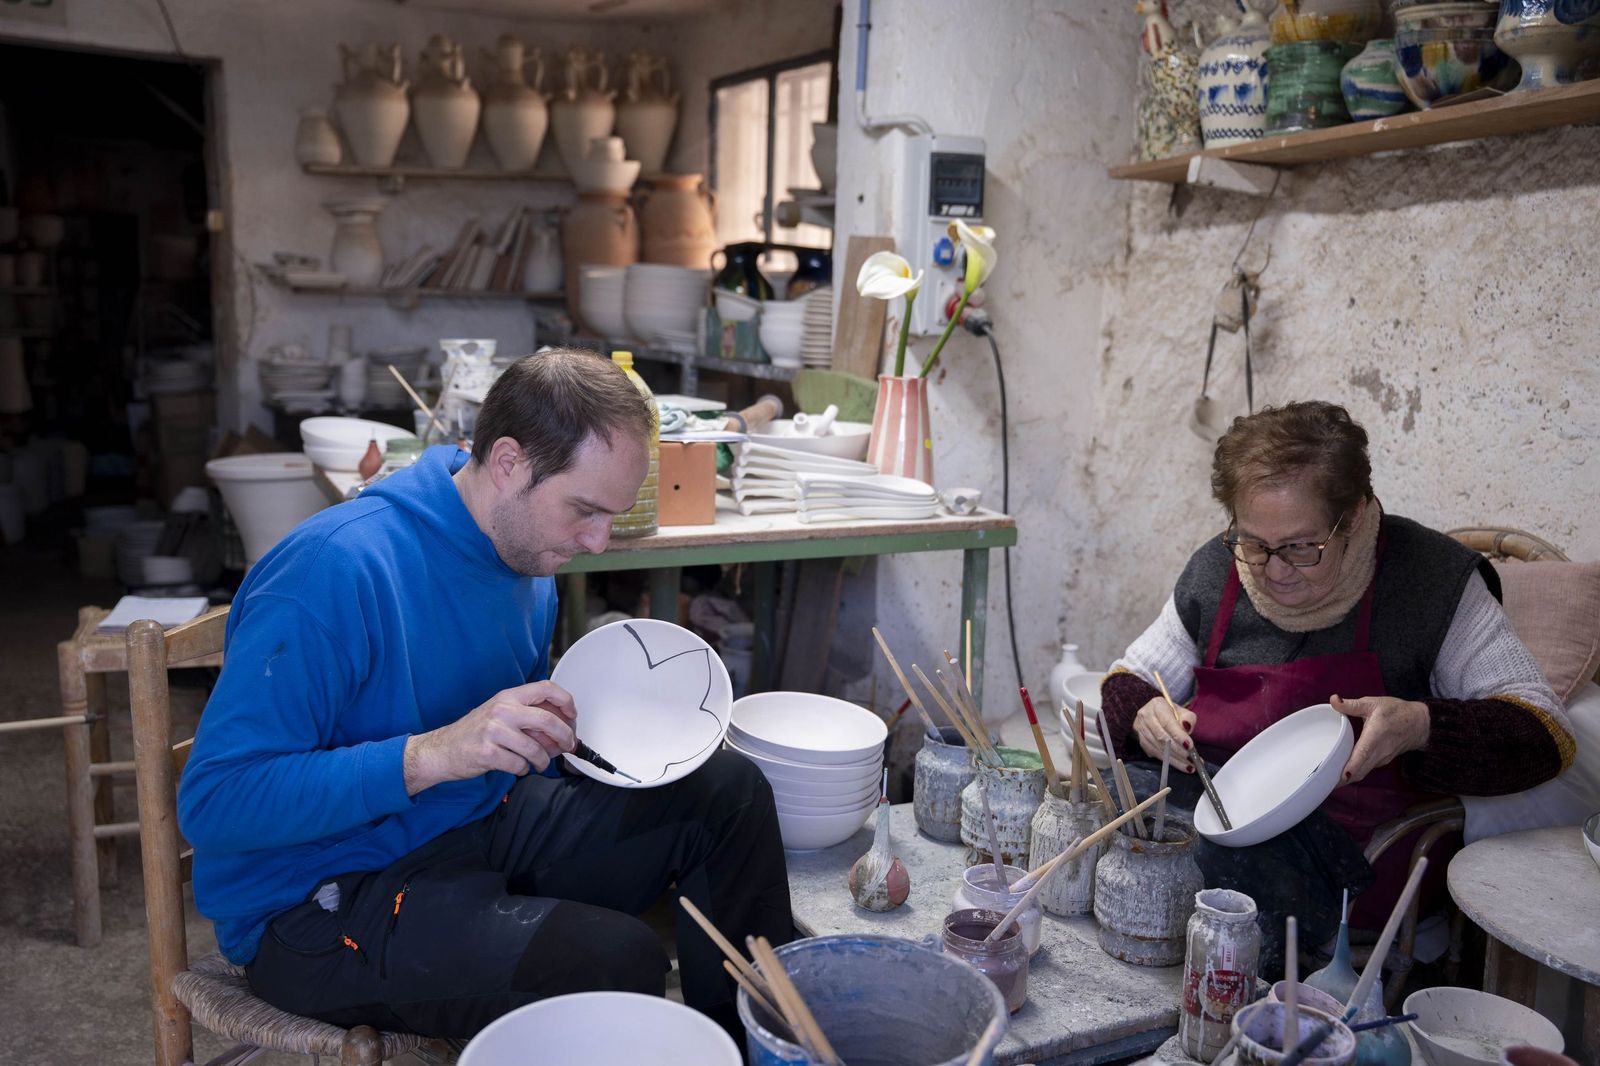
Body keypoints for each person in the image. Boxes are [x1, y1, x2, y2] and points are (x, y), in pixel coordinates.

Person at [178, 349, 794, 1042]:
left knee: (726, 792)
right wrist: (434, 754)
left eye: (610, 516)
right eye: (584, 510)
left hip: (470, 824)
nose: (596, 541)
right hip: (319, 898)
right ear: (508, 462)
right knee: (616, 964)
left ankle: (752, 1051)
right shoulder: (333, 570)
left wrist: (601, 732)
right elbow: (213, 805)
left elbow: (508, 742)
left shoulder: (529, 554)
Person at [1102, 400, 1572, 971]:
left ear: (1351, 517)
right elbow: (1126, 681)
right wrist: (1146, 713)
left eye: (1302, 547)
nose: (1273, 570)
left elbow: (1544, 735)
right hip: (1217, 803)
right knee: (1107, 807)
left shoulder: (1429, 579)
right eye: (1254, 543)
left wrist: (1422, 724)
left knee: (1222, 876)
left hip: (1351, 853)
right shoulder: (1220, 567)